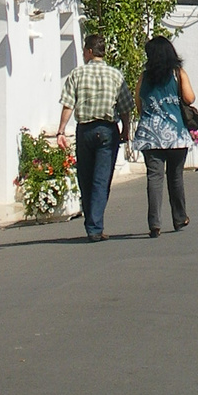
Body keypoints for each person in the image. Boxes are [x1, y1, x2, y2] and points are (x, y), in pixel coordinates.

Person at [56, 33, 134, 242]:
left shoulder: (77, 74)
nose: (83, 53)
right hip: (108, 129)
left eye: (84, 50)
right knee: (101, 178)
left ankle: (91, 221)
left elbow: (68, 104)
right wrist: (126, 129)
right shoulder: (115, 75)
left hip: (86, 129)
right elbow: (125, 106)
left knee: (85, 176)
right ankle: (95, 225)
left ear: (90, 51)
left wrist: (61, 130)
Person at [132, 35, 195, 237]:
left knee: (154, 177)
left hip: (150, 134)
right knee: (175, 177)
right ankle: (179, 217)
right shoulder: (178, 73)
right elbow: (189, 97)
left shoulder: (144, 76)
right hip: (176, 134)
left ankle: (154, 223)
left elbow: (138, 102)